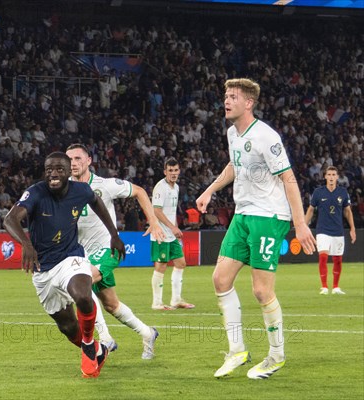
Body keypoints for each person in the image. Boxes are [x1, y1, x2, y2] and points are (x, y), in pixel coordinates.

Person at [196, 78, 316, 380]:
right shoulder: (232, 133)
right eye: (225, 95)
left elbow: (289, 178)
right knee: (220, 279)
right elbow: (234, 166)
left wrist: (299, 224)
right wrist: (210, 190)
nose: (227, 100)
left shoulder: (266, 136)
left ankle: (276, 355)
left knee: (262, 291)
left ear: (249, 103)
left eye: (233, 96)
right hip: (243, 215)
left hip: (268, 216)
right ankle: (237, 350)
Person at [3, 152, 125, 378]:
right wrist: (26, 244)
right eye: (49, 169)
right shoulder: (36, 192)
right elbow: (10, 219)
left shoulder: (81, 190)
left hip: (71, 257)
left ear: (69, 172)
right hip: (43, 269)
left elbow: (97, 202)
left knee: (83, 295)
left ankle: (89, 343)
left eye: (59, 169)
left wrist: (114, 235)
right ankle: (98, 349)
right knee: (68, 327)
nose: (53, 174)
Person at [66, 144, 163, 359]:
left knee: (80, 283)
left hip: (108, 248)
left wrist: (153, 221)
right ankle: (148, 333)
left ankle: (106, 339)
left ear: (89, 160)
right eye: (69, 159)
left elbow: (139, 191)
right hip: (83, 254)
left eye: (77, 158)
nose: (73, 163)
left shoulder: (105, 185)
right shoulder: (64, 190)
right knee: (111, 304)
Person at [151, 158, 195, 311]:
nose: (173, 173)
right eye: (170, 170)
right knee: (161, 265)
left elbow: (171, 212)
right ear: (165, 172)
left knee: (181, 263)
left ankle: (176, 300)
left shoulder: (175, 188)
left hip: (171, 232)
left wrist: (175, 227)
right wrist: (172, 227)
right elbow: (156, 210)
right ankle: (157, 303)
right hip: (161, 233)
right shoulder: (160, 188)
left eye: (176, 170)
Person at [305, 166, 356, 295]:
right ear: (325, 176)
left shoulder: (343, 192)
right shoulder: (318, 192)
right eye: (329, 174)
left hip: (338, 230)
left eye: (334, 174)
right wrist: (304, 226)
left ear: (337, 177)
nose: (332, 177)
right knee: (323, 257)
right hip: (322, 230)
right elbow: (311, 210)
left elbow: (348, 211)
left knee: (337, 259)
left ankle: (336, 287)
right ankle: (324, 287)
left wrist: (352, 228)